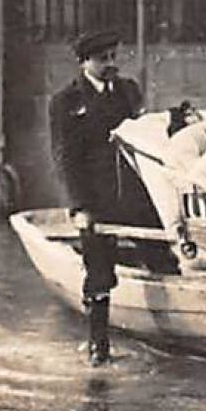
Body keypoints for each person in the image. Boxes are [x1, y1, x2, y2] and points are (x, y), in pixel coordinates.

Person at [49, 29, 149, 367]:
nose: (110, 64)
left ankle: (169, 316)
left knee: (162, 253)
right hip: (96, 199)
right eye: (102, 59)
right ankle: (98, 345)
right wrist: (80, 207)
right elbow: (66, 158)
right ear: (83, 62)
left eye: (113, 57)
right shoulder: (67, 102)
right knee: (99, 271)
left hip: (134, 193)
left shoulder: (128, 91)